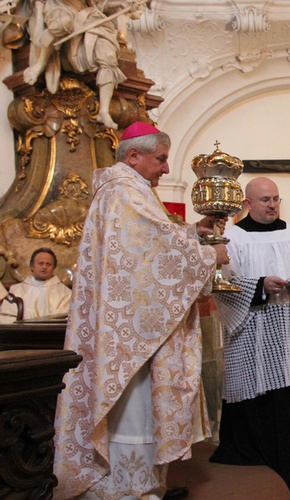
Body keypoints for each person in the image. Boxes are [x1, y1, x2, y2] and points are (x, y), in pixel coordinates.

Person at [52, 121, 228, 499]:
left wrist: (191, 233)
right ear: (134, 155)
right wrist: (210, 254)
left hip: (129, 332)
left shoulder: (124, 190)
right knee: (132, 409)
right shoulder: (124, 192)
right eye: (161, 159)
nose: (166, 168)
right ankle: (130, 490)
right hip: (132, 342)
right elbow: (151, 262)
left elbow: (150, 245)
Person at [209, 177, 290, 496]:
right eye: (265, 200)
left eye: (276, 199)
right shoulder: (231, 238)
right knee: (259, 405)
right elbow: (222, 283)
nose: (273, 204)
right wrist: (261, 286)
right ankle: (257, 472)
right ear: (248, 203)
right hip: (250, 338)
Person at [23, 0, 144, 129]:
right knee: (62, 23)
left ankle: (103, 111)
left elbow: (100, 3)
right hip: (61, 8)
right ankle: (40, 65)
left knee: (107, 53)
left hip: (87, 15)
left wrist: (122, 5)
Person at [0, 247, 71, 321]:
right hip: (21, 331)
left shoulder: (65, 293)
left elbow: (64, 319)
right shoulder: (16, 290)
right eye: (40, 263)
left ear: (53, 269)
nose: (44, 267)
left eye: (48, 264)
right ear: (32, 266)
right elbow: (7, 317)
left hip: (51, 331)